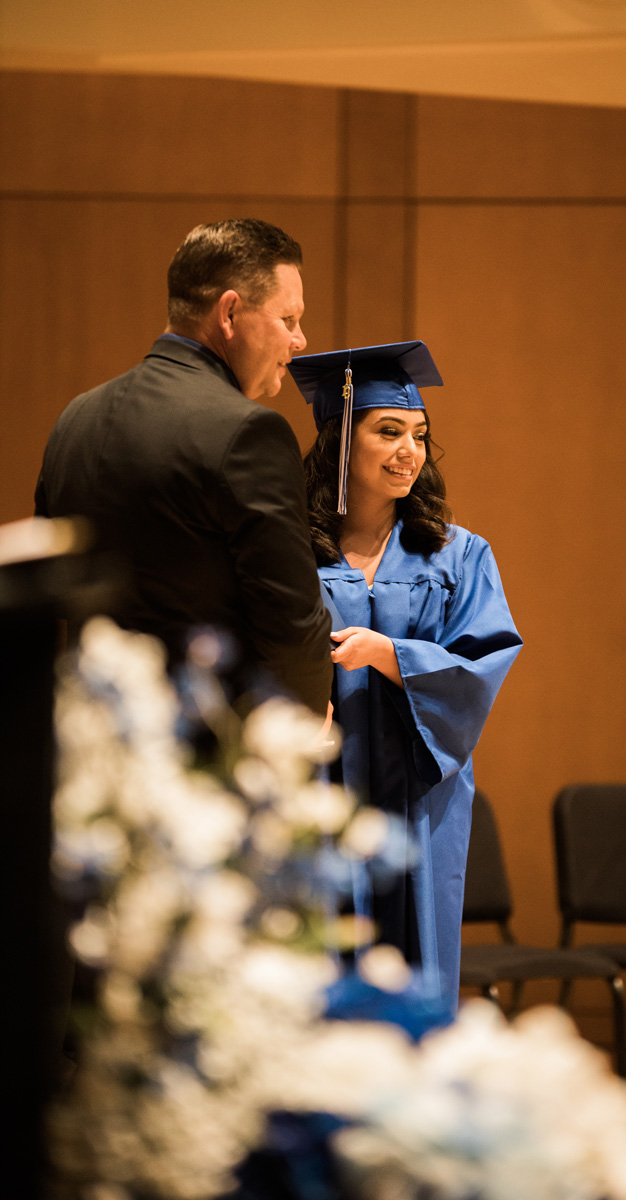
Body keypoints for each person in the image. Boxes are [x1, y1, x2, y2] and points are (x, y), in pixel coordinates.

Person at [294, 341, 522, 1010]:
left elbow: (483, 664)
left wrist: (388, 654)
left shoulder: (459, 554)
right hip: (317, 792)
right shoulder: (289, 553)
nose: (409, 451)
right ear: (342, 442)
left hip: (421, 794)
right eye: (388, 431)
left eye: (419, 435)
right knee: (315, 960)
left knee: (415, 957)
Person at [34, 218, 332, 716]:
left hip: (89, 741)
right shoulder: (249, 433)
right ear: (231, 313)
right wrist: (299, 734)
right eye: (289, 319)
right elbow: (291, 625)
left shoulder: (74, 419)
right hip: (202, 756)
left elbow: (49, 595)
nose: (300, 340)